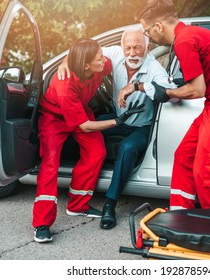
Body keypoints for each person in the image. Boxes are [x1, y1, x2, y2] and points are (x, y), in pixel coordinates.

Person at [135, 0, 210, 210]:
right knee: (184, 156)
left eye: (147, 31)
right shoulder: (191, 35)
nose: (149, 37)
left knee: (206, 174)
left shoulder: (185, 41)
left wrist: (166, 92)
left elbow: (197, 90)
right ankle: (180, 214)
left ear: (158, 26)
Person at [58, 27, 176, 230]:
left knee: (128, 148)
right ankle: (75, 178)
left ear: (148, 48)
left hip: (142, 126)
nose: (132, 53)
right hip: (118, 118)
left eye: (138, 48)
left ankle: (109, 204)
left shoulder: (155, 69)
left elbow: (168, 93)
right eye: (128, 47)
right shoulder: (113, 54)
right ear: (121, 47)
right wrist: (64, 62)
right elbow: (82, 54)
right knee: (80, 131)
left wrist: (137, 86)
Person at [33, 38, 144, 243]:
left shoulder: (99, 66)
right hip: (54, 119)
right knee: (50, 164)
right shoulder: (65, 85)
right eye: (100, 59)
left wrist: (66, 58)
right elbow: (84, 126)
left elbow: (120, 59)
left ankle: (77, 206)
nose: (105, 61)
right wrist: (116, 121)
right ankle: (42, 223)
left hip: (81, 112)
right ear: (86, 65)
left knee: (97, 152)